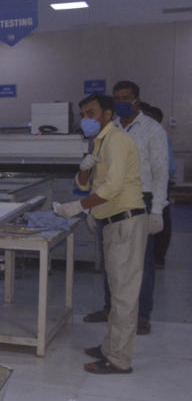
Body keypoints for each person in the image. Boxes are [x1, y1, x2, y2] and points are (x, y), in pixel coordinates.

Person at [54, 94, 146, 374]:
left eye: (91, 113)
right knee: (118, 291)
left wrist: (77, 207)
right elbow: (86, 184)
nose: (86, 119)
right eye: (83, 114)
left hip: (125, 223)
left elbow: (112, 189)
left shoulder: (116, 141)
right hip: (112, 224)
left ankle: (119, 359)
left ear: (107, 114)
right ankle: (110, 346)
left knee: (124, 296)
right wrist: (84, 170)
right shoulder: (100, 142)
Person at [81, 81, 168, 334]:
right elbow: (97, 170)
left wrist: (158, 210)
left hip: (140, 202)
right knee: (111, 260)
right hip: (108, 202)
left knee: (140, 262)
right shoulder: (108, 129)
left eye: (125, 97)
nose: (120, 101)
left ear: (137, 100)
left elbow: (161, 172)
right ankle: (111, 308)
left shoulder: (152, 130)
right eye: (116, 97)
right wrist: (90, 206)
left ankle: (141, 315)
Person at [140, 105, 174, 269]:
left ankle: (159, 258)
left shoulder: (158, 134)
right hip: (146, 184)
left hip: (158, 184)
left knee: (160, 218)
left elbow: (167, 167)